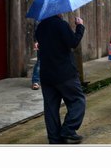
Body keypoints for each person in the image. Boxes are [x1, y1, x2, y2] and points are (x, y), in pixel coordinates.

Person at [35, 14, 86, 144]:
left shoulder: (40, 27)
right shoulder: (61, 25)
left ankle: (54, 139)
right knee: (77, 101)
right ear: (57, 10)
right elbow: (73, 42)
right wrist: (80, 26)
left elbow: (41, 46)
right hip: (64, 73)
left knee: (51, 108)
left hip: (46, 74)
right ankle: (68, 130)